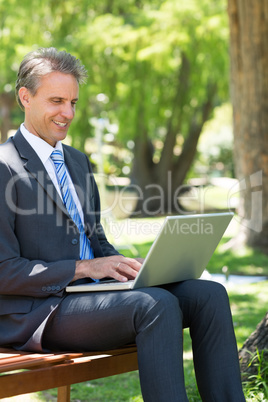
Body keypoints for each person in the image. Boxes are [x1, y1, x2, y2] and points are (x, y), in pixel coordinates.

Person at [0, 47, 245, 402]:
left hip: (92, 296)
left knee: (208, 295)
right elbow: (4, 271)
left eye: (73, 102)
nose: (67, 113)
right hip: (39, 312)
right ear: (25, 97)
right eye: (57, 100)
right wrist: (84, 268)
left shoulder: (77, 162)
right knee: (154, 305)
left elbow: (96, 242)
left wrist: (128, 268)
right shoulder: (5, 166)